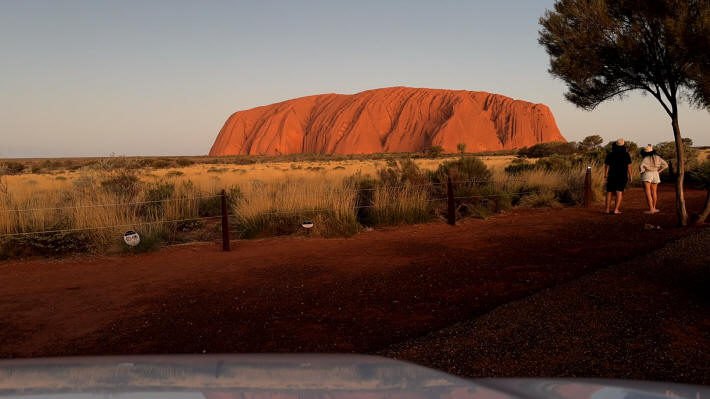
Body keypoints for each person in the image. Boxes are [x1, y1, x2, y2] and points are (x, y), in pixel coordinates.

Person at [604, 139, 633, 214]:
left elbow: (607, 166)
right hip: (622, 175)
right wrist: (630, 176)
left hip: (612, 175)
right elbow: (629, 166)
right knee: (619, 192)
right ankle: (616, 210)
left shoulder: (610, 154)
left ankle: (607, 209)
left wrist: (606, 174)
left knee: (609, 191)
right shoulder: (626, 154)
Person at [639, 145, 668, 214]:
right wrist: (659, 171)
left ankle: (651, 209)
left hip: (647, 174)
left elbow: (641, 167)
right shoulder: (657, 157)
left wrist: (642, 172)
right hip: (656, 174)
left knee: (648, 193)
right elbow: (665, 165)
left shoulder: (645, 159)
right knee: (654, 192)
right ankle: (654, 208)